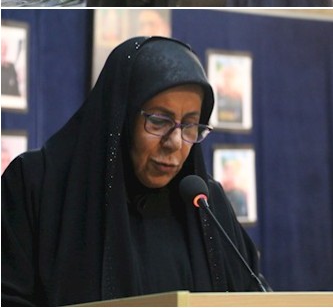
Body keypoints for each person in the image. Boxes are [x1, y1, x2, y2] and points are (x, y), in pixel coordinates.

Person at [1, 37, 265, 306]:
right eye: (159, 121)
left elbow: (253, 293)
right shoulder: (37, 185)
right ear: (121, 116)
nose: (174, 143)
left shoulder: (206, 204)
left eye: (190, 125)